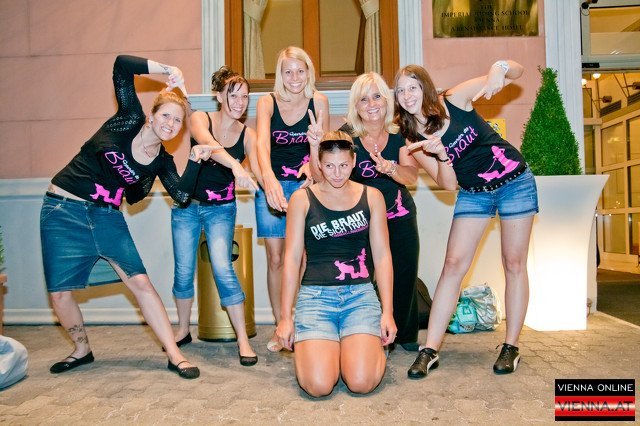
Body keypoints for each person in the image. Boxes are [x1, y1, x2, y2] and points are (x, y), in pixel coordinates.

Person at [41, 54, 214, 379]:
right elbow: (122, 66)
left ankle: (175, 355)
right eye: (166, 115)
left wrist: (194, 161)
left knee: (141, 283)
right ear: (152, 115)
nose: (170, 124)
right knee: (60, 292)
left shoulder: (161, 161)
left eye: (178, 121)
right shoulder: (127, 119)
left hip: (106, 217)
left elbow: (180, 196)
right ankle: (81, 349)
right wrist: (167, 70)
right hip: (62, 208)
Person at [394, 62, 538, 377]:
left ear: (425, 87)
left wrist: (500, 68)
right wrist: (442, 155)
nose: (407, 95)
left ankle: (511, 346)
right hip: (474, 192)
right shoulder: (413, 139)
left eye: (412, 87)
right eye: (401, 90)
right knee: (453, 265)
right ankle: (430, 350)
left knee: (513, 262)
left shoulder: (454, 99)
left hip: (514, 181)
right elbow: (448, 184)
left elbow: (516, 72)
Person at [329, 72, 453, 350]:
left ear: (387, 100)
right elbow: (331, 173)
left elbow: (411, 176)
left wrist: (391, 169)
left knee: (404, 275)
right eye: (364, 99)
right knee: (361, 277)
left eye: (377, 97)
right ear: (355, 105)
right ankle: (364, 333)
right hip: (360, 222)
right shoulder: (346, 136)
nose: (371, 104)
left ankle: (406, 335)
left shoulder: (401, 133)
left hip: (399, 217)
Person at [276, 132, 396, 397]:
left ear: (353, 162)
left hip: (360, 297)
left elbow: (382, 256)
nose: (337, 173)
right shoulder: (301, 199)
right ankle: (332, 348)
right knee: (318, 386)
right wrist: (285, 318)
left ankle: (363, 346)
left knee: (361, 383)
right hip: (315, 298)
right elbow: (292, 259)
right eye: (329, 166)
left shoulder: (373, 196)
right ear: (319, 164)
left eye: (343, 165)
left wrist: (387, 312)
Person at [170, 66, 260, 366]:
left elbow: (260, 168)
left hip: (221, 209)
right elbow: (208, 144)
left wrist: (272, 187)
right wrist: (235, 166)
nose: (239, 102)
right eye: (233, 96)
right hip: (187, 206)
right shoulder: (200, 118)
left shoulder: (248, 135)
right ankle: (183, 329)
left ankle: (243, 340)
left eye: (245, 97)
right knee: (183, 271)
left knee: (223, 268)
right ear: (219, 96)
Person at [254, 46, 329, 352]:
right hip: (272, 186)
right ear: (280, 74)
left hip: (305, 187)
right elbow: (261, 144)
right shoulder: (267, 102)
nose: (295, 77)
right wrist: (268, 180)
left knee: (303, 258)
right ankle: (279, 325)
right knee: (276, 258)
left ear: (309, 72)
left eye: (300, 70)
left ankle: (298, 320)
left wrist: (311, 163)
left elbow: (323, 148)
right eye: (288, 71)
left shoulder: (319, 101)